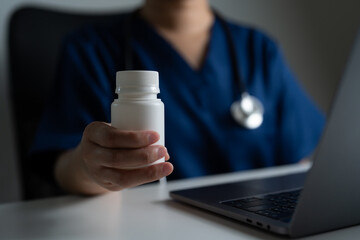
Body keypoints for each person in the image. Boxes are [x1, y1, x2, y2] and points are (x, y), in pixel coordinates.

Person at [29, 0, 325, 197]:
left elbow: (297, 163)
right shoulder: (90, 50)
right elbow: (63, 165)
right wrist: (91, 167)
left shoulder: (258, 48)